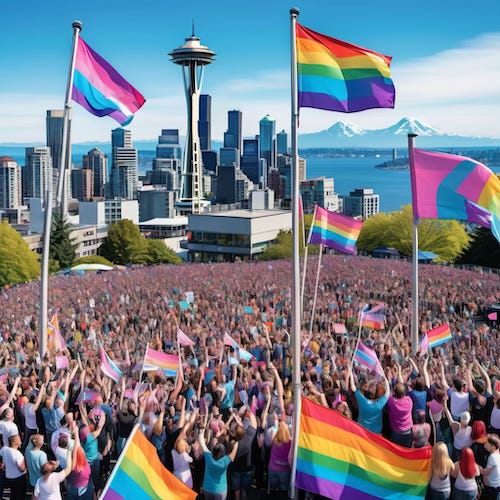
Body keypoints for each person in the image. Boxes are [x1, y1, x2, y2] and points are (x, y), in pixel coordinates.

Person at [198, 419, 238, 500]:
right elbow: (232, 456)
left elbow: (201, 441)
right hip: (220, 490)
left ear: (213, 451)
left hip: (208, 488)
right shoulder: (225, 461)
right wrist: (237, 441)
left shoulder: (208, 457)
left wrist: (201, 429)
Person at [268, 421, 292, 499]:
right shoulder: (291, 443)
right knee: (283, 491)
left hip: (273, 468)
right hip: (284, 470)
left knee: (274, 490)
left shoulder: (274, 441)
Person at [0, 434, 27, 500]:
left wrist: (3, 464)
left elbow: (1, 457)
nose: (21, 442)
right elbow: (22, 469)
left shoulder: (4, 449)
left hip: (9, 477)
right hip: (19, 478)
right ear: (15, 443)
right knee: (19, 496)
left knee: (13, 494)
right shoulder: (18, 454)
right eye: (19, 440)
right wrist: (26, 470)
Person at [479, 434, 500, 500]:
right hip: (496, 486)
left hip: (491, 489)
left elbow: (484, 472)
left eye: (486, 444)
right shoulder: (497, 453)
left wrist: (477, 466)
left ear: (493, 446)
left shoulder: (492, 457)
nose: (484, 446)